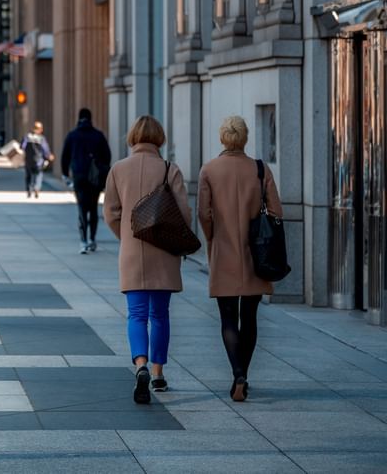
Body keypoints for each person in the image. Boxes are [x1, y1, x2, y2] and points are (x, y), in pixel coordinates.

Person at [104, 115, 190, 404]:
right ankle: (158, 373)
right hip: (164, 251)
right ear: (159, 138)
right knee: (160, 314)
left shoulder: (119, 169)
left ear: (132, 137)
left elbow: (111, 213)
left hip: (132, 251)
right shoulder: (170, 169)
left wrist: (126, 237)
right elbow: (184, 215)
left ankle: (139, 365)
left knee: (136, 313)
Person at [197, 115, 282, 403]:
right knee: (250, 317)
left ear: (223, 138)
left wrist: (212, 236)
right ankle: (242, 374)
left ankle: (237, 374)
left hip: (224, 250)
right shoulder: (259, 169)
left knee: (228, 318)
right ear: (244, 138)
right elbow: (277, 210)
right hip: (257, 253)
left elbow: (203, 213)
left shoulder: (209, 170)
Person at [61, 108, 112, 253]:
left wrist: (65, 174)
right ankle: (92, 239)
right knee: (93, 208)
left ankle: (83, 241)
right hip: (94, 178)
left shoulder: (72, 135)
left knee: (82, 209)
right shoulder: (98, 135)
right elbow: (107, 155)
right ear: (91, 118)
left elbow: (65, 156)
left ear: (79, 118)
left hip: (79, 176)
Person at [21, 121, 53, 198]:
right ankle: (36, 188)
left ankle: (29, 189)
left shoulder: (27, 137)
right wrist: (49, 155)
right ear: (40, 129)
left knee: (28, 176)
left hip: (28, 160)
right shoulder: (41, 138)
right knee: (38, 175)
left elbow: (22, 146)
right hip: (38, 161)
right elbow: (45, 149)